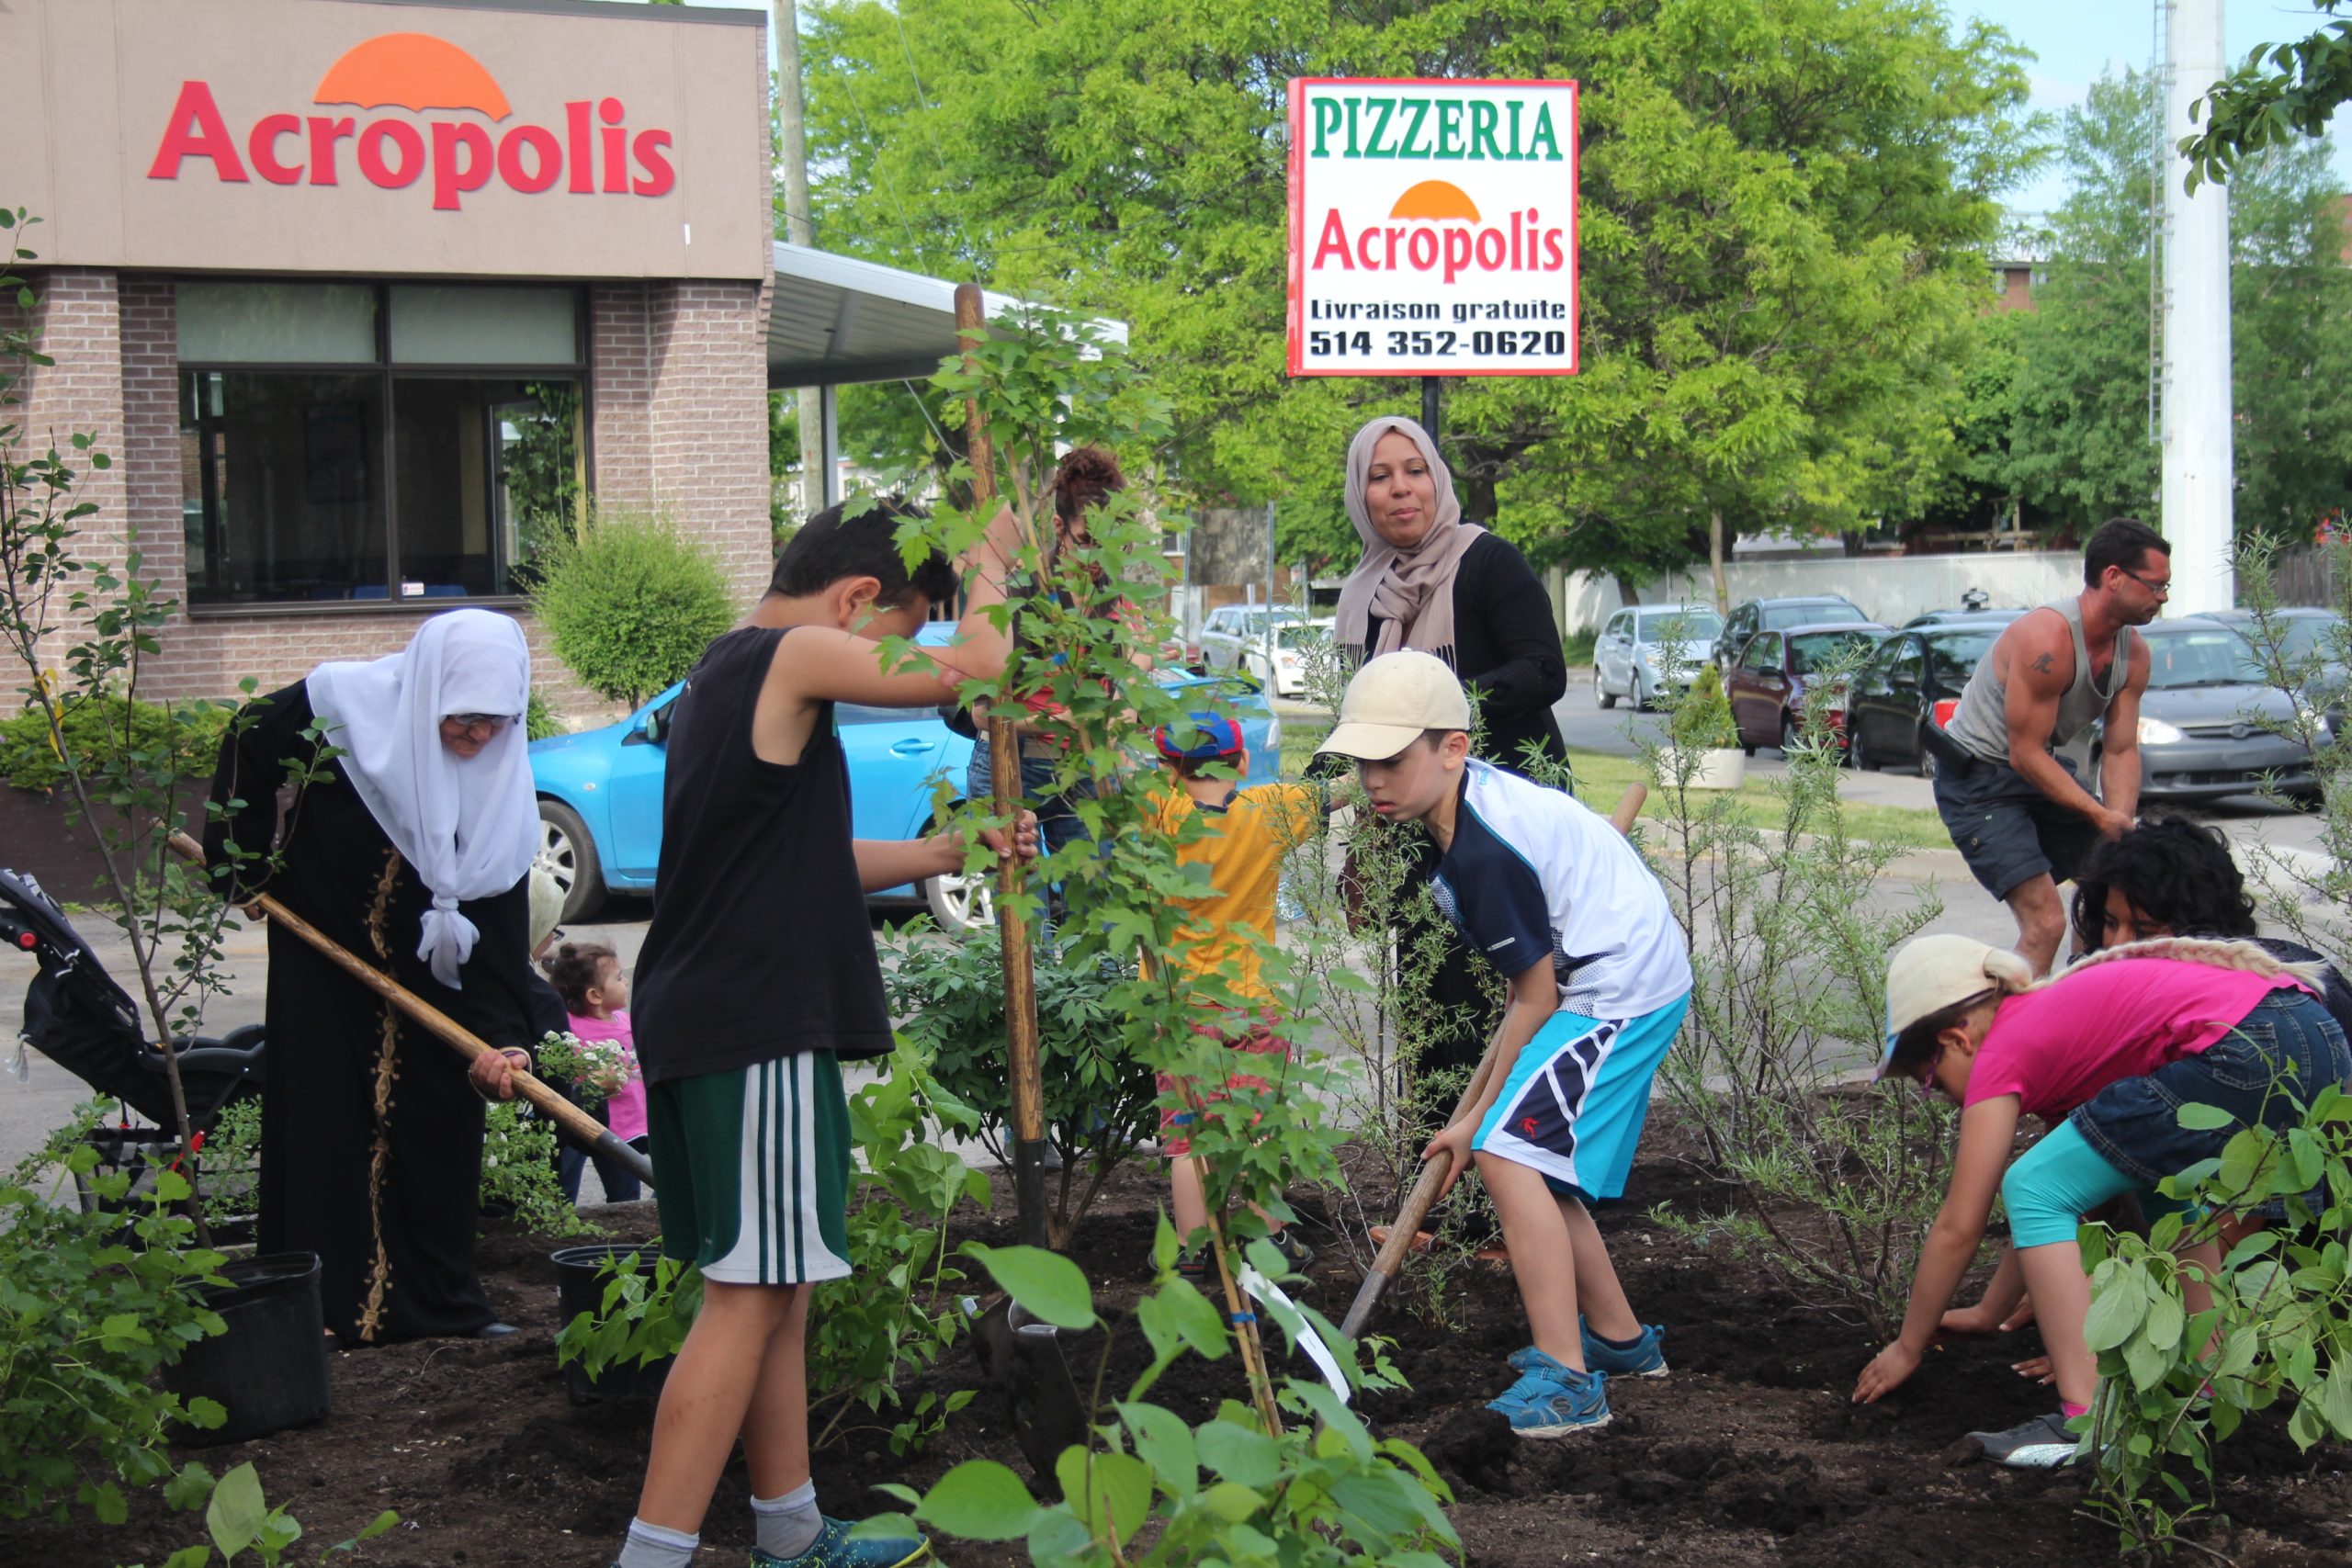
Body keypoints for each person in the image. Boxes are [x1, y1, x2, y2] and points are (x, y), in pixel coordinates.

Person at [612, 498, 1035, 1568]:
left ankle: (790, 1531)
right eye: (895, 629)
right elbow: (972, 670)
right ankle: (651, 1557)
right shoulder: (795, 650)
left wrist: (946, 855)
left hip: (718, 1011)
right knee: (748, 1293)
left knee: (777, 1286)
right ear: (855, 600)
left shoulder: (726, 673)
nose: (888, 656)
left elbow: (797, 862)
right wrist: (990, 569)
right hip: (750, 1020)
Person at [1316, 652, 1693, 1438]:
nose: (1373, 780)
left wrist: (1477, 1120)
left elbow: (1536, 997)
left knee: (1508, 1154)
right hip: (1610, 975)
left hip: (1618, 989)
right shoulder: (1469, 811)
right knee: (1529, 1160)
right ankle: (1621, 1342)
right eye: (1361, 763)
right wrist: (1474, 1113)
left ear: (1452, 748)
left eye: (1390, 760)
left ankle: (1569, 1381)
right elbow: (1526, 1002)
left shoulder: (1483, 847)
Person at [1852, 933, 2346, 1467]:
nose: (1946, 1100)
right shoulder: (2064, 1035)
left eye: (1931, 1080)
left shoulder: (2002, 1046)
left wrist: (1908, 1345)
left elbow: (1960, 1225)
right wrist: (1989, 1311)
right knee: (2158, 1182)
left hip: (2246, 1040)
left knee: (2029, 1183)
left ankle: (2087, 1423)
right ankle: (2206, 1389)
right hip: (2314, 1030)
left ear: (1957, 1038)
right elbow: (2074, 1201)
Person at [204, 608, 543, 1345]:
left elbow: (500, 922)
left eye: (496, 721)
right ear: (429, 693)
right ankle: (324, 1306)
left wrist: (506, 1040)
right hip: (325, 962)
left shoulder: (502, 784)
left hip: (432, 988)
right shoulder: (337, 708)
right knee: (326, 1129)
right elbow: (247, 743)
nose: (478, 736)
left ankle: (442, 1305)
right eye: (464, 718)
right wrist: (244, 869)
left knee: (436, 1133)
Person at [1332, 416, 1571, 1146]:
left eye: (1414, 469)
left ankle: (1520, 1191)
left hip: (1500, 828)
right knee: (1435, 1008)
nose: (1400, 488)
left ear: (1437, 477)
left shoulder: (1487, 561)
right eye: (1380, 474)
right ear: (1359, 494)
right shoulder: (1363, 595)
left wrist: (1437, 706)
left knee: (1516, 1008)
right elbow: (1366, 723)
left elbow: (1544, 671)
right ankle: (1440, 1199)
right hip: (1416, 826)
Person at [1927, 517, 2166, 975]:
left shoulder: (2133, 654)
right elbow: (2026, 753)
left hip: (2035, 772)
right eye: (2155, 586)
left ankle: (2084, 999)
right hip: (1979, 782)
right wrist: (2098, 815)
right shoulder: (2048, 640)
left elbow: (2119, 751)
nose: (2163, 598)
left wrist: (2118, 826)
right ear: (2114, 577)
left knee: (2109, 887)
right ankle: (2009, 1036)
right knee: (2046, 923)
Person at [1141, 712, 1324, 1279]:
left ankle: (1195, 1250)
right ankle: (1267, 1245)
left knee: (1188, 1134)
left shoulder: (1160, 814)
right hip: (1253, 1002)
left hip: (1180, 1008)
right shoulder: (1270, 810)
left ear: (1170, 769)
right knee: (1259, 1127)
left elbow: (1117, 788)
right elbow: (1334, 793)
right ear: (1242, 762)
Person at [964, 446, 1143, 864]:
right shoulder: (1019, 596)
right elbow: (979, 713)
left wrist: (1119, 716)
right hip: (1009, 764)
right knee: (1025, 923)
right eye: (1084, 542)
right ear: (1059, 528)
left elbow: (1129, 693)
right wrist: (1059, 720)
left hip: (1082, 770)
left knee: (1096, 905)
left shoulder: (1116, 602)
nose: (1097, 558)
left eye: (1109, 543)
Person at [544, 940, 646, 1205]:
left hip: (628, 1127)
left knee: (627, 1195)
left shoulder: (626, 1021)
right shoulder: (568, 1026)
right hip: (589, 1126)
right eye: (619, 978)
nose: (625, 983)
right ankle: (561, 1229)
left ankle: (624, 1239)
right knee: (562, 1188)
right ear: (594, 995)